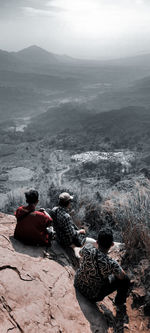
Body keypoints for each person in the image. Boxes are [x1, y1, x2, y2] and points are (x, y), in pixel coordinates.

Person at [74, 228, 131, 306]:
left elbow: (80, 253)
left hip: (78, 283)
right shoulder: (111, 263)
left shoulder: (87, 248)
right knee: (126, 280)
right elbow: (122, 276)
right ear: (112, 244)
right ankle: (118, 302)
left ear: (97, 242)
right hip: (92, 295)